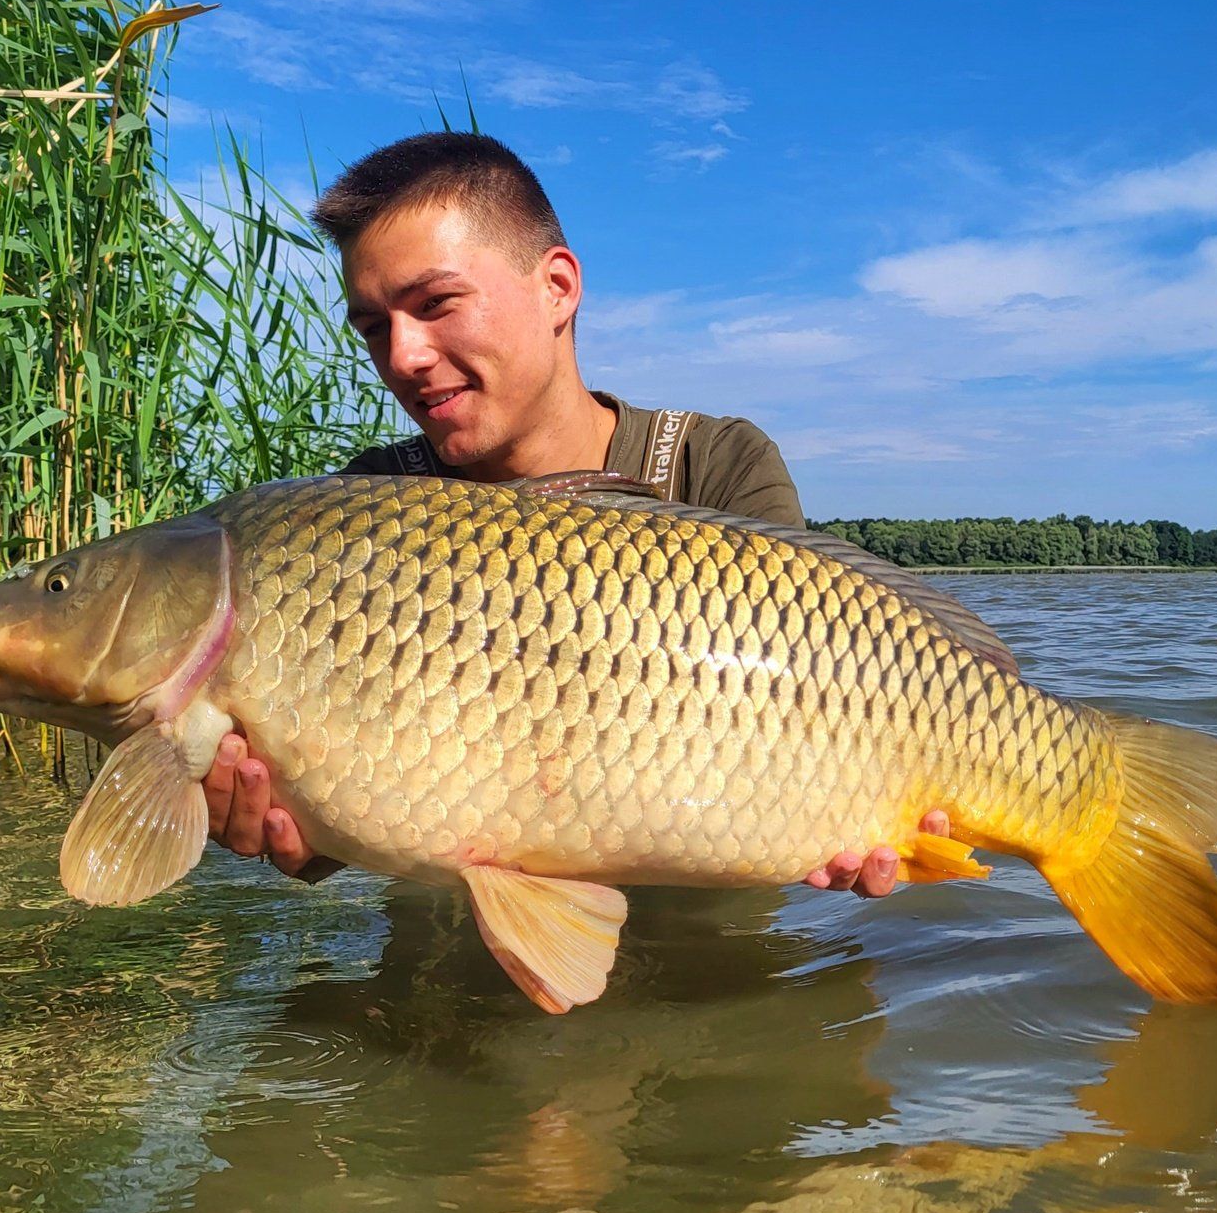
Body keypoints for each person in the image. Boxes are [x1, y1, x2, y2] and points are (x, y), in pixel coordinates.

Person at [201, 132, 945, 898]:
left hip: (716, 974)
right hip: (455, 975)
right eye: (372, 327)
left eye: (435, 304)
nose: (404, 356)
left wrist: (866, 816)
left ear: (557, 286)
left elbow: (840, 690)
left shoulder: (718, 467)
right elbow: (350, 794)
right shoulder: (368, 513)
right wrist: (296, 830)